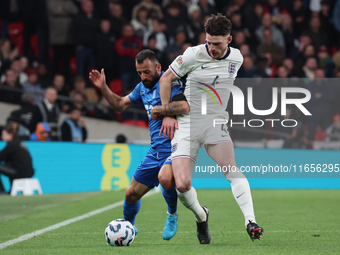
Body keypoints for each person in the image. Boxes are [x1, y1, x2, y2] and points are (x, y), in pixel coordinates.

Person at [153, 13, 263, 244]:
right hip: (187, 123)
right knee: (182, 184)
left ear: (229, 40)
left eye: (217, 43)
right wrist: (168, 114)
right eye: (209, 42)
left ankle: (250, 222)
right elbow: (165, 80)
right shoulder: (193, 54)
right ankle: (201, 217)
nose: (211, 48)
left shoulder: (238, 58)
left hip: (215, 123)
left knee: (231, 169)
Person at [89, 49, 189, 240]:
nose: (143, 76)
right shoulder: (142, 88)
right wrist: (103, 87)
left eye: (147, 72)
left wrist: (164, 111)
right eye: (139, 73)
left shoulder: (170, 82)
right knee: (130, 195)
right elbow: (119, 104)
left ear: (158, 67)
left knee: (166, 179)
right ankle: (129, 227)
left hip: (175, 147)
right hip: (155, 151)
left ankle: (172, 214)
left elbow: (184, 106)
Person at [0, 124, 34, 194]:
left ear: (10, 134)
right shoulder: (19, 142)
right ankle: (12, 190)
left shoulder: (12, 145)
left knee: (8, 166)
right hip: (29, 171)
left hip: (21, 172)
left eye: (4, 134)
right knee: (8, 164)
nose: (2, 136)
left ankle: (1, 191)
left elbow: (1, 156)